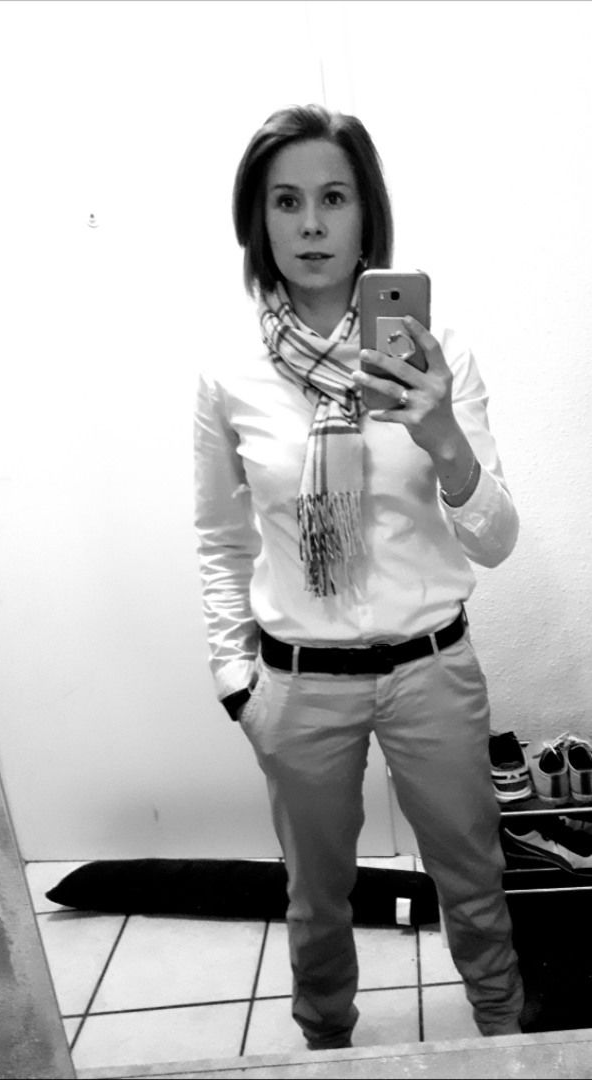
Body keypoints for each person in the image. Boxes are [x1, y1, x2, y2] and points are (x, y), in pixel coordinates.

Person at [193, 103, 524, 1050]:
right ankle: (325, 1042)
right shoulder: (229, 373)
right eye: (285, 201)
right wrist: (236, 680)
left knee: (474, 880)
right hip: (298, 683)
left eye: (332, 198)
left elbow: (495, 539)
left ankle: (506, 1039)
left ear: (365, 212)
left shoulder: (436, 352)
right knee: (315, 896)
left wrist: (441, 433)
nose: (309, 224)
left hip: (432, 671)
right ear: (257, 220)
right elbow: (219, 539)